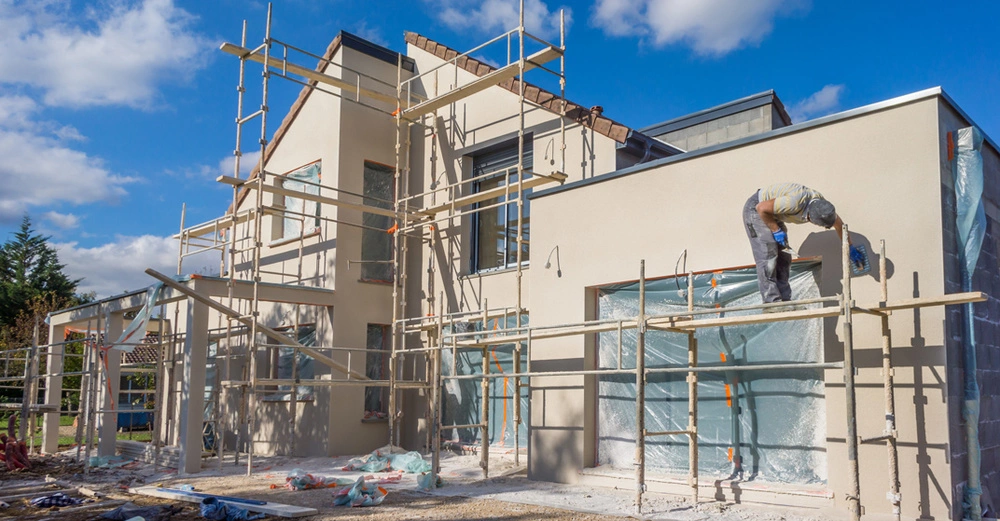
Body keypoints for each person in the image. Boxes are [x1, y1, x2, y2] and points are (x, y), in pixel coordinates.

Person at [742, 182, 864, 305]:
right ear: (810, 218)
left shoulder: (824, 208)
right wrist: (776, 230)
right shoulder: (794, 203)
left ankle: (784, 301)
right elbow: (761, 208)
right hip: (756, 210)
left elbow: (840, 226)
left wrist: (850, 247)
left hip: (772, 213)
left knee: (784, 257)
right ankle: (771, 302)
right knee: (768, 254)